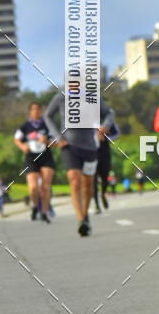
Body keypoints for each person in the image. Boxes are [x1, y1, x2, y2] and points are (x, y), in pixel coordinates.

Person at [45, 90, 115, 236]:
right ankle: (80, 220)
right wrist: (58, 137)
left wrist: (105, 126)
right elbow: (47, 116)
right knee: (75, 181)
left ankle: (85, 216)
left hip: (90, 147)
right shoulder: (60, 97)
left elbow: (109, 113)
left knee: (88, 185)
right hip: (69, 146)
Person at [14, 102, 55, 223]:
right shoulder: (25, 126)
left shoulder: (47, 125)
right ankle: (34, 206)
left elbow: (56, 142)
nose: (36, 111)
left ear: (41, 111)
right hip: (31, 158)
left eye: (38, 109)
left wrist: (47, 140)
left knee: (45, 187)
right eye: (34, 109)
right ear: (30, 111)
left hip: (46, 157)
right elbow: (16, 139)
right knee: (33, 188)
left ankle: (44, 212)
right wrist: (22, 146)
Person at [93, 120, 120, 213]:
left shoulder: (107, 118)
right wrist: (94, 137)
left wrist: (107, 137)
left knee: (105, 178)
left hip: (105, 153)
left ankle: (103, 194)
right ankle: (96, 205)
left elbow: (117, 133)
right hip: (91, 153)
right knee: (93, 180)